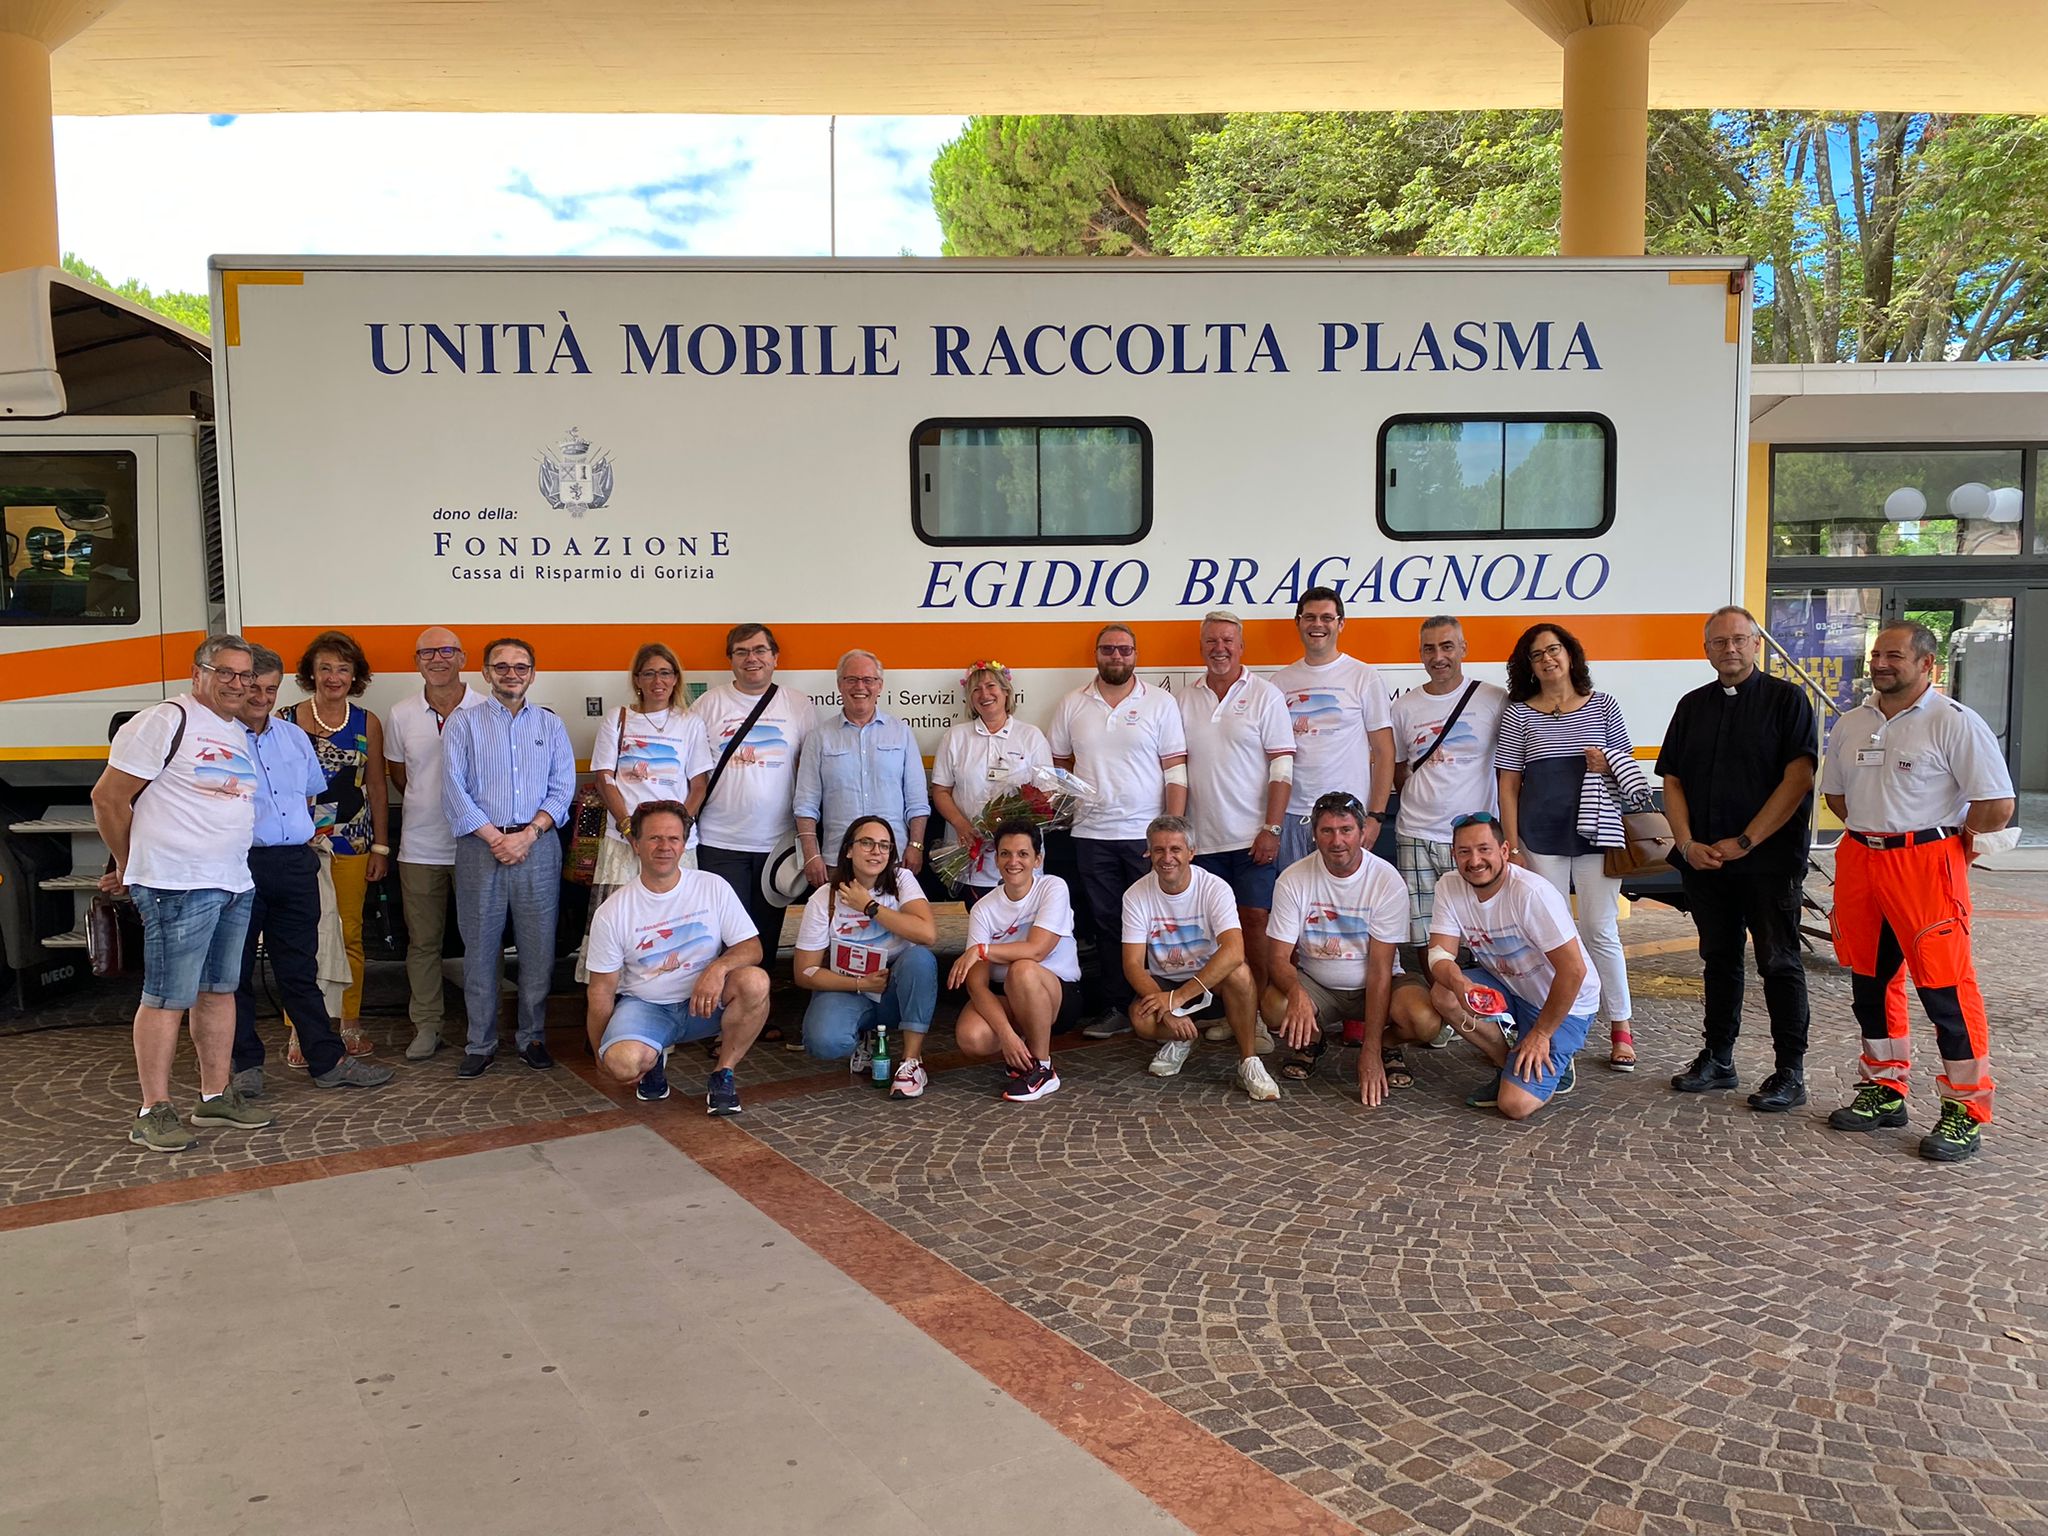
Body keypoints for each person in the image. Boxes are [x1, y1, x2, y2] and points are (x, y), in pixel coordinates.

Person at [1820, 621, 2014, 1162]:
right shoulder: (1852, 723)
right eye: (1877, 654)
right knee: (1869, 981)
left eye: (1895, 655)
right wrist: (1878, 832)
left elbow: (1996, 805)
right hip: (1861, 858)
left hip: (1926, 864)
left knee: (1945, 990)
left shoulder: (1954, 723)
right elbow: (1838, 796)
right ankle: (1885, 1089)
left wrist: (1945, 846)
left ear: (1927, 664)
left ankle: (1965, 1109)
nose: (1882, 663)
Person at [90, 633, 275, 1151]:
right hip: (177, 883)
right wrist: (130, 863)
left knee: (218, 992)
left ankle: (215, 1096)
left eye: (245, 675)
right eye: (226, 673)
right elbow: (107, 798)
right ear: (199, 674)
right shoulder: (164, 720)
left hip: (231, 880)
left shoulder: (233, 729)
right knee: (167, 997)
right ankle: (153, 1109)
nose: (238, 684)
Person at [1658, 606, 1819, 1111]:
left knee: (1778, 962)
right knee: (1718, 961)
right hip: (1705, 862)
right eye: (1718, 642)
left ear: (1756, 645)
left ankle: (1789, 1071)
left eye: (1739, 640)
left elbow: (1798, 780)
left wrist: (1746, 841)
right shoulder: (1691, 706)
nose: (1729, 649)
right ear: (1706, 650)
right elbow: (1674, 781)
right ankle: (1719, 1058)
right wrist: (1685, 844)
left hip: (1768, 863)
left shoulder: (1787, 701)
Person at [229, 646, 392, 1095]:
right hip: (242, 861)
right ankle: (246, 1068)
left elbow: (305, 800)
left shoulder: (292, 737)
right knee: (237, 968)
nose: (261, 696)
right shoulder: (221, 738)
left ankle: (327, 1059)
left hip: (296, 861)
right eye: (253, 687)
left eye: (269, 688)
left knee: (302, 965)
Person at [1494, 622, 1641, 1071]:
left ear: (1571, 655)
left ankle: (1621, 1025)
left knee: (1600, 931)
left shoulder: (1603, 706)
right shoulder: (1519, 713)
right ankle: (1555, 1025)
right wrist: (1513, 846)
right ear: (1529, 667)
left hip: (1597, 835)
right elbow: (1508, 784)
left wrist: (1607, 762)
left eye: (1553, 650)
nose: (1547, 659)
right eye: (1537, 655)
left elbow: (1629, 771)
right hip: (1540, 840)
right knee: (1548, 938)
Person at [584, 801, 773, 1116]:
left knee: (756, 980)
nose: (664, 847)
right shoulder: (613, 911)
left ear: (684, 845)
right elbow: (600, 992)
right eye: (654, 838)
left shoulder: (712, 886)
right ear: (636, 844)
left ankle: (723, 1074)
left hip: (705, 1003)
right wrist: (599, 1055)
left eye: (673, 839)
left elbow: (752, 947)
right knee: (621, 1064)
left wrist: (717, 968)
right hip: (646, 1007)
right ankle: (653, 1058)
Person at [442, 636, 575, 1078]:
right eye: (502, 666)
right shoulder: (463, 725)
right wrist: (496, 837)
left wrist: (528, 834)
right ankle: (480, 1043)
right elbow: (454, 790)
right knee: (479, 949)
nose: (511, 673)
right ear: (485, 672)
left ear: (533, 673)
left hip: (537, 847)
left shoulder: (550, 725)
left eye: (520, 666)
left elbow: (562, 790)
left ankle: (532, 1037)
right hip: (480, 849)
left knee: (539, 949)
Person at [1049, 624, 1188, 1038]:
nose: (1116, 656)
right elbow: (1059, 768)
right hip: (1091, 835)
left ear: (1135, 655)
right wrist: (1082, 800)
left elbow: (1175, 772)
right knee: (1109, 923)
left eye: (1124, 650)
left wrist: (1172, 832)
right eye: (1108, 649)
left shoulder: (1160, 703)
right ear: (1096, 654)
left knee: (1159, 923)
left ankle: (1169, 1003)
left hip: (1146, 836)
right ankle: (1117, 1008)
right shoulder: (1072, 704)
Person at [1420, 813, 1599, 1120]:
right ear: (1454, 855)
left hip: (1564, 1002)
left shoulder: (1531, 892)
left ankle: (1553, 1057)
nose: (1475, 861)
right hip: (1511, 985)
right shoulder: (1449, 885)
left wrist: (1542, 1033)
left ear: (1504, 851)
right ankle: (1508, 1065)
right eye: (1464, 852)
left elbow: (1574, 971)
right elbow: (1439, 956)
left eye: (1484, 849)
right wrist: (1460, 984)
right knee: (1444, 993)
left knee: (1515, 1106)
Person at [1261, 791, 1431, 1102]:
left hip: (1379, 983)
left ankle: (1386, 1044)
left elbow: (1380, 970)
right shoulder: (1293, 879)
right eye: (1327, 831)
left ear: (1363, 832)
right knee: (1275, 1006)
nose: (1337, 841)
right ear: (1314, 835)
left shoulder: (1385, 879)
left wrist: (1370, 1050)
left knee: (1424, 1019)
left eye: (1346, 830)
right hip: (1318, 984)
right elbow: (1277, 957)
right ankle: (1314, 1039)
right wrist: (1297, 993)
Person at [281, 630, 390, 1056]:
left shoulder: (367, 723)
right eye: (324, 668)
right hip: (297, 845)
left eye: (343, 669)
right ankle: (300, 1029)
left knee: (349, 936)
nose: (333, 676)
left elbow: (378, 787)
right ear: (310, 672)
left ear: (355, 675)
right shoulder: (285, 719)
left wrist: (381, 847)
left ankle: (349, 1023)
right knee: (300, 937)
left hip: (352, 843)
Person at [578, 642, 712, 982]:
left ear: (676, 679)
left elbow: (698, 785)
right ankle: (615, 994)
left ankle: (669, 993)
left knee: (672, 923)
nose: (658, 680)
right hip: (623, 842)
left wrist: (679, 829)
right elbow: (604, 777)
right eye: (649, 672)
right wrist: (628, 828)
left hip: (675, 843)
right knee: (621, 922)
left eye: (665, 673)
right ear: (637, 678)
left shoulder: (690, 723)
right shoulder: (619, 717)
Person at [693, 622, 818, 985]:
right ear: (730, 660)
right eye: (742, 652)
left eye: (760, 650)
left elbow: (809, 774)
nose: (752, 659)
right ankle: (718, 1013)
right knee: (722, 935)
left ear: (775, 658)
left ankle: (755, 1012)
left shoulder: (798, 705)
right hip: (719, 841)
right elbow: (694, 774)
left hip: (775, 843)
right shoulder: (709, 705)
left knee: (764, 936)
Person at [1178, 610, 1293, 1003]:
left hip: (1252, 839)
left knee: (1255, 922)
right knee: (1213, 930)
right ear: (1201, 647)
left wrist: (1272, 828)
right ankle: (1225, 1011)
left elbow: (1282, 767)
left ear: (1242, 647)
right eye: (1212, 641)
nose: (1220, 648)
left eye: (1228, 641)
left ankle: (1258, 1010)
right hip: (1203, 841)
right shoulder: (1184, 698)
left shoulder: (1265, 694)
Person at [1121, 816, 1279, 1102]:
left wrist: (1178, 999)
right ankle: (1181, 1038)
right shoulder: (1136, 895)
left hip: (1209, 981)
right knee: (1141, 1021)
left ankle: (1249, 1062)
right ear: (1149, 853)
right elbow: (1132, 964)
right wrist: (1168, 1009)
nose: (1167, 858)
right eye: (1158, 850)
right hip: (1165, 980)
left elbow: (1234, 951)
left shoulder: (1214, 887)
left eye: (1175, 850)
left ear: (1191, 853)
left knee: (1241, 973)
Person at [385, 625, 486, 1060]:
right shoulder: (401, 714)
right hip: (421, 847)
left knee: (483, 939)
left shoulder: (489, 707)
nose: (438, 659)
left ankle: (484, 1025)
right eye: (428, 653)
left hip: (478, 844)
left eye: (447, 651)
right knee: (422, 943)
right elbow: (400, 776)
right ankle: (428, 1026)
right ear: (417, 661)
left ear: (463, 658)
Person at [1390, 616, 1509, 965]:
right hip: (1415, 834)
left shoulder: (1493, 699)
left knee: (1482, 931)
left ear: (1463, 649)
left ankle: (1481, 1007)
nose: (1438, 656)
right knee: (1426, 937)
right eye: (1429, 648)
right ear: (1420, 654)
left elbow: (1507, 770)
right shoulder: (1404, 707)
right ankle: (1436, 1012)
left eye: (1447, 646)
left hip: (1473, 838)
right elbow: (1399, 768)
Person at [792, 816, 939, 1096]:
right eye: (867, 843)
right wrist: (860, 984)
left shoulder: (901, 879)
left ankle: (911, 1062)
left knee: (920, 959)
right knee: (824, 1042)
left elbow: (928, 934)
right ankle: (863, 1034)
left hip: (892, 984)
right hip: (847, 984)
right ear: (849, 849)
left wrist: (870, 906)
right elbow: (804, 972)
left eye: (885, 846)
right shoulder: (825, 898)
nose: (876, 852)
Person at [947, 819, 1085, 1103]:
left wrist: (982, 950)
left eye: (1023, 854)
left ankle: (1043, 1068)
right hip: (1010, 997)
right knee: (972, 1037)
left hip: (1058, 993)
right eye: (1005, 853)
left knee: (1022, 969)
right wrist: (1006, 1035)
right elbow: (977, 985)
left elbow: (1036, 950)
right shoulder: (984, 909)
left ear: (1038, 859)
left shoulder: (1052, 887)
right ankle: (1020, 1048)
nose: (1013, 861)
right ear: (996, 859)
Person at [1272, 586, 1394, 869]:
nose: (1318, 625)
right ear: (1298, 623)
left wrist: (1375, 816)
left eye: (1327, 618)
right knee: (1297, 905)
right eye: (1310, 617)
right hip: (1293, 816)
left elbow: (1384, 752)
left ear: (1341, 624)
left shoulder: (1364, 677)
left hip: (1347, 817)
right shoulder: (1279, 682)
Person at [795, 649, 930, 891]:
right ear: (839, 685)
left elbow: (917, 802)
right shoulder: (819, 737)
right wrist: (811, 855)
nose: (860, 686)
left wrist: (916, 846)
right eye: (851, 679)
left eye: (868, 680)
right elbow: (806, 805)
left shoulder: (901, 733)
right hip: (838, 860)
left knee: (895, 926)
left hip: (894, 859)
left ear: (880, 686)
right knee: (842, 928)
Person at [930, 660, 1053, 906]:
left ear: (1006, 691)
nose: (984, 694)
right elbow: (941, 791)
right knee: (977, 922)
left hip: (1019, 856)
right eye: (976, 689)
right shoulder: (955, 737)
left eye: (991, 686)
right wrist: (962, 825)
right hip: (969, 855)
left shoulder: (1030, 736)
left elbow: (1047, 794)